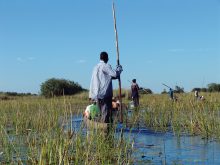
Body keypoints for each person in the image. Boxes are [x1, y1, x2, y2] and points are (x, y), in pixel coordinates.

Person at [89, 51, 123, 123]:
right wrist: (119, 68)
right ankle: (105, 129)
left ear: (100, 58)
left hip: (96, 94)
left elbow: (109, 77)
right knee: (105, 113)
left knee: (100, 113)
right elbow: (115, 74)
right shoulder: (105, 66)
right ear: (107, 58)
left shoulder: (95, 67)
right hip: (104, 94)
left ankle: (101, 127)